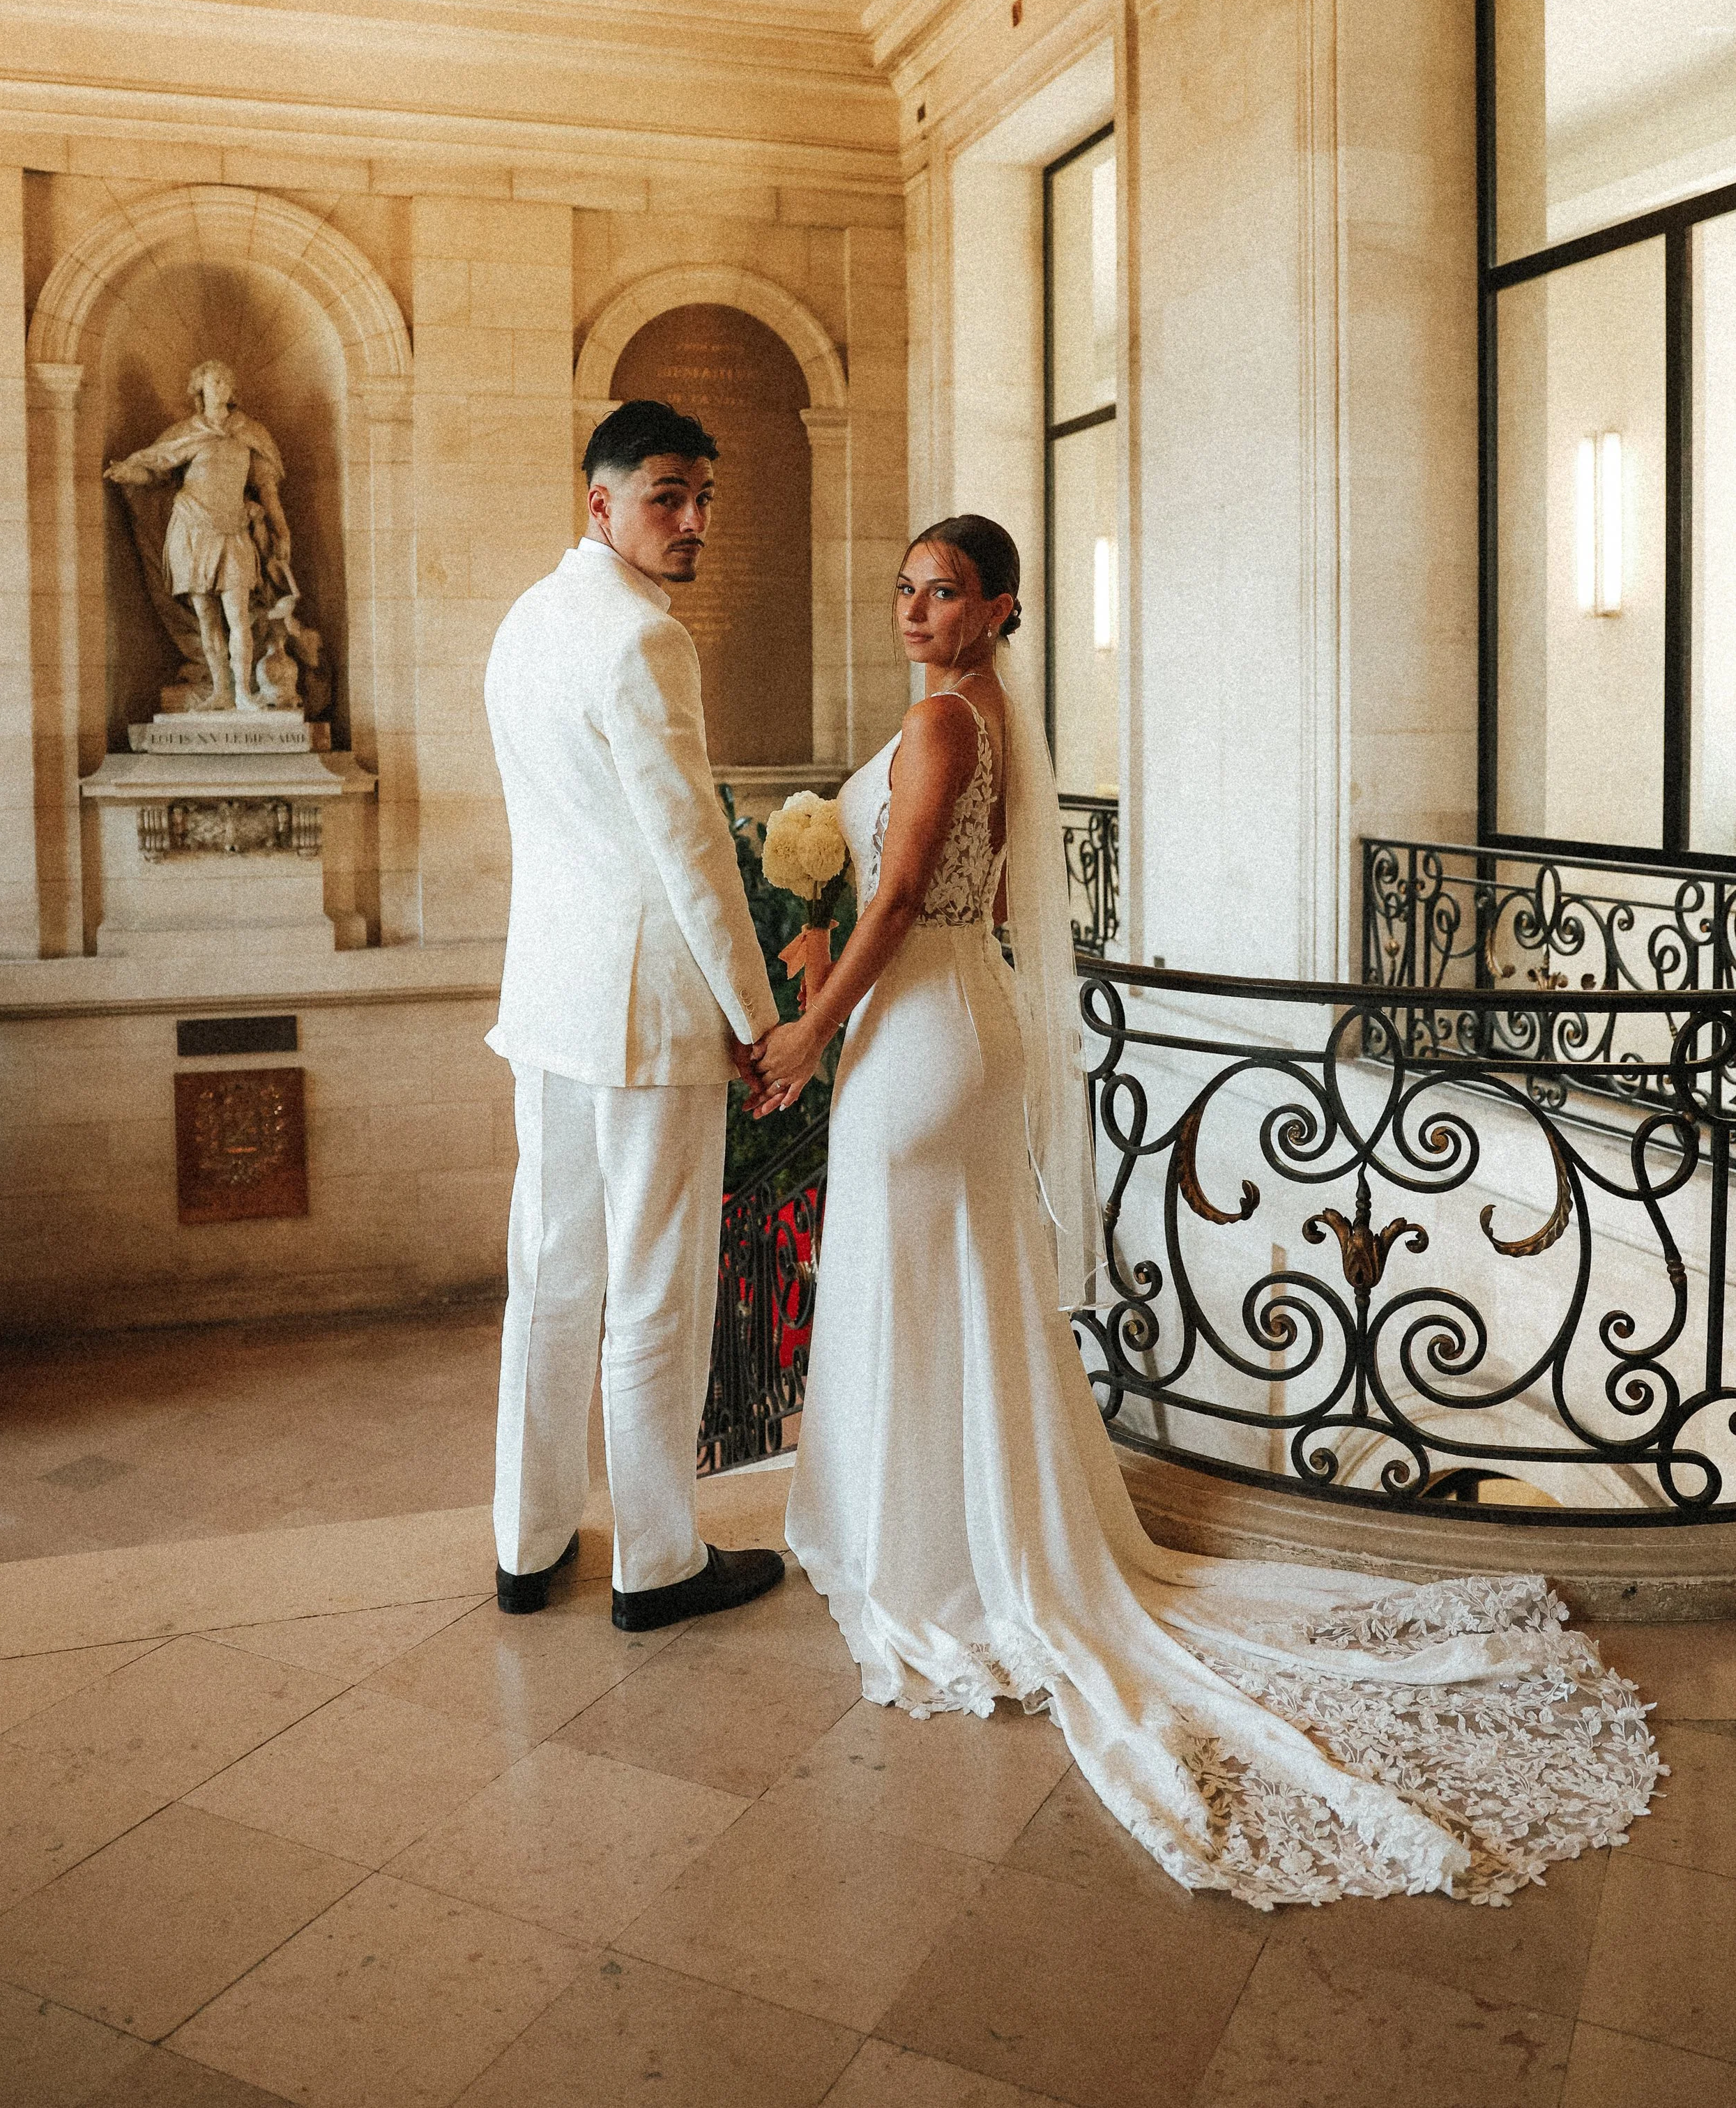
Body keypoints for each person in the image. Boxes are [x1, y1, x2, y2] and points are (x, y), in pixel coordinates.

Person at [750, 514, 1659, 1907]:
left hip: (920, 1026)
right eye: (905, 590)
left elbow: (896, 910)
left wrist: (812, 1023)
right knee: (958, 1288)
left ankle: (932, 1559)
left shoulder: (943, 728)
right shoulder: (982, 717)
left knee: (913, 1282)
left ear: (998, 609)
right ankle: (958, 1535)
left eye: (943, 594)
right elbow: (976, 893)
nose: (913, 611)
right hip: (961, 1012)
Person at [483, 397, 785, 1626]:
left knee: (552, 1274)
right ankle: (658, 1562)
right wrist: (760, 1019)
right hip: (646, 1011)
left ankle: (527, 1541)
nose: (694, 520)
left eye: (704, 496)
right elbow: (692, 851)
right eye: (669, 495)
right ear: (598, 502)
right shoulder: (643, 641)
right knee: (657, 1285)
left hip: (549, 1000)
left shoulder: (525, 620)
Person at [104, 360, 288, 710]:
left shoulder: (250, 434)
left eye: (224, 380)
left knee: (238, 615)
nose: (219, 386)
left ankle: (244, 694)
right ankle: (220, 690)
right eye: (212, 380)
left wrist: (283, 531)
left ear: (232, 390)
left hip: (232, 530)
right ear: (199, 389)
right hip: (191, 529)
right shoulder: (185, 433)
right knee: (207, 616)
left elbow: (268, 491)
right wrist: (130, 474)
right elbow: (156, 471)